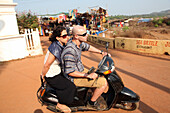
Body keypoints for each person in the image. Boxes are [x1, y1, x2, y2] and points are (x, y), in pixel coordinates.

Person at [61, 25, 109, 110]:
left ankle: (93, 93)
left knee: (99, 74)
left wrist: (101, 52)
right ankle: (91, 103)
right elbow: (70, 72)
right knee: (103, 83)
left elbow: (88, 47)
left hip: (80, 69)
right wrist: (87, 75)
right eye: (84, 34)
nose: (86, 35)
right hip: (73, 77)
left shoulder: (78, 44)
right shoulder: (70, 51)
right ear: (76, 36)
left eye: (86, 33)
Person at [40, 25, 76, 113]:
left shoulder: (60, 44)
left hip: (57, 72)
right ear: (58, 38)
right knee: (70, 87)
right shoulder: (55, 47)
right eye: (64, 36)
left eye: (67, 35)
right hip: (51, 75)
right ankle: (60, 104)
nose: (67, 37)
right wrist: (43, 75)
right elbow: (47, 65)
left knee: (70, 82)